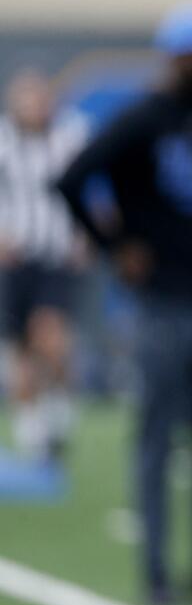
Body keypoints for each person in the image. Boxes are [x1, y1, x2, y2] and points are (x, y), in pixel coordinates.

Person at [57, 2, 192, 605]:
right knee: (157, 436)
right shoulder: (142, 118)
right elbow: (72, 178)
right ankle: (156, 573)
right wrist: (114, 246)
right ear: (178, 56)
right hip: (162, 304)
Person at [0, 67, 88, 462]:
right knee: (18, 347)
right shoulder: (3, 143)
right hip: (14, 260)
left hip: (54, 255)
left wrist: (85, 233)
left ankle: (57, 408)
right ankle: (32, 427)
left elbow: (88, 188)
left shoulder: (67, 139)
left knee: (50, 336)